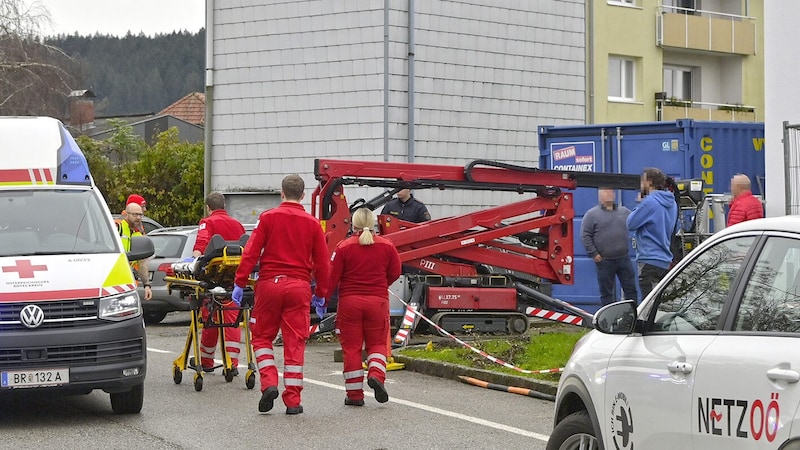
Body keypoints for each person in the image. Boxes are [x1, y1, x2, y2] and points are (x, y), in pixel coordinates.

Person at [231, 174, 330, 415]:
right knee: (295, 342)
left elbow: (251, 252)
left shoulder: (268, 218)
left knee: (262, 337)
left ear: (282, 193)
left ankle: (269, 383)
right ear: (304, 196)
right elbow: (323, 262)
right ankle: (293, 401)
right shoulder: (312, 223)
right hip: (299, 287)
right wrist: (322, 293)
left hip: (269, 285)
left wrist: (239, 282)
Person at [320, 208, 401, 407]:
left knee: (352, 349)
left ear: (353, 224)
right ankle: (376, 374)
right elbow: (395, 272)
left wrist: (322, 298)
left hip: (350, 303)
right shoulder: (387, 246)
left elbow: (332, 277)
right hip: (377, 302)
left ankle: (355, 395)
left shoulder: (344, 247)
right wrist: (381, 286)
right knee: (377, 344)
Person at [190, 192, 246, 374]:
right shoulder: (237, 224)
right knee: (232, 321)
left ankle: (206, 360)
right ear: (224, 206)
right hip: (233, 279)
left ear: (208, 207)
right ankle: (232, 364)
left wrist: (195, 265)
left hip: (213, 279)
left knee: (210, 320)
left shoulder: (207, 222)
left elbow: (201, 244)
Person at [626, 168, 678, 300]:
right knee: (660, 305)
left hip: (648, 260)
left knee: (648, 307)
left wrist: (640, 203)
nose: (641, 185)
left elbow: (630, 223)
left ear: (649, 182)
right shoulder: (672, 203)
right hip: (665, 261)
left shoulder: (649, 202)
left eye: (642, 181)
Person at [581, 188, 638, 305]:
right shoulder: (591, 215)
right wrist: (593, 254)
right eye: (605, 192)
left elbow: (637, 222)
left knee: (631, 290)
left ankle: (632, 316)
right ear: (599, 196)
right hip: (604, 261)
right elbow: (585, 235)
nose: (609, 194)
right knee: (606, 293)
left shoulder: (624, 212)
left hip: (623, 259)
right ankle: (608, 320)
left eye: (611, 191)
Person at [119, 202, 152, 301]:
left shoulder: (138, 235)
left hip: (129, 282)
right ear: (126, 214)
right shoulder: (117, 227)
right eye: (135, 215)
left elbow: (142, 262)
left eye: (140, 215)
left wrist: (147, 285)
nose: (138, 218)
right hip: (114, 279)